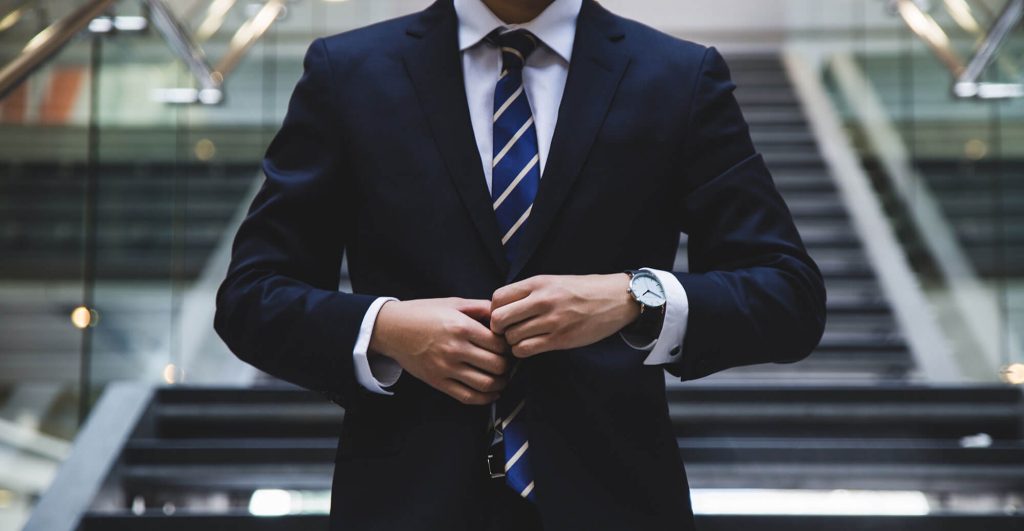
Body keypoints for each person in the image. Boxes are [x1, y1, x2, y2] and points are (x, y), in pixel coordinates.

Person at [214, 0, 827, 529]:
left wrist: (635, 298)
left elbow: (789, 293)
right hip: (403, 502)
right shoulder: (348, 72)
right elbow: (251, 296)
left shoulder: (677, 76)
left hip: (616, 501)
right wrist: (386, 330)